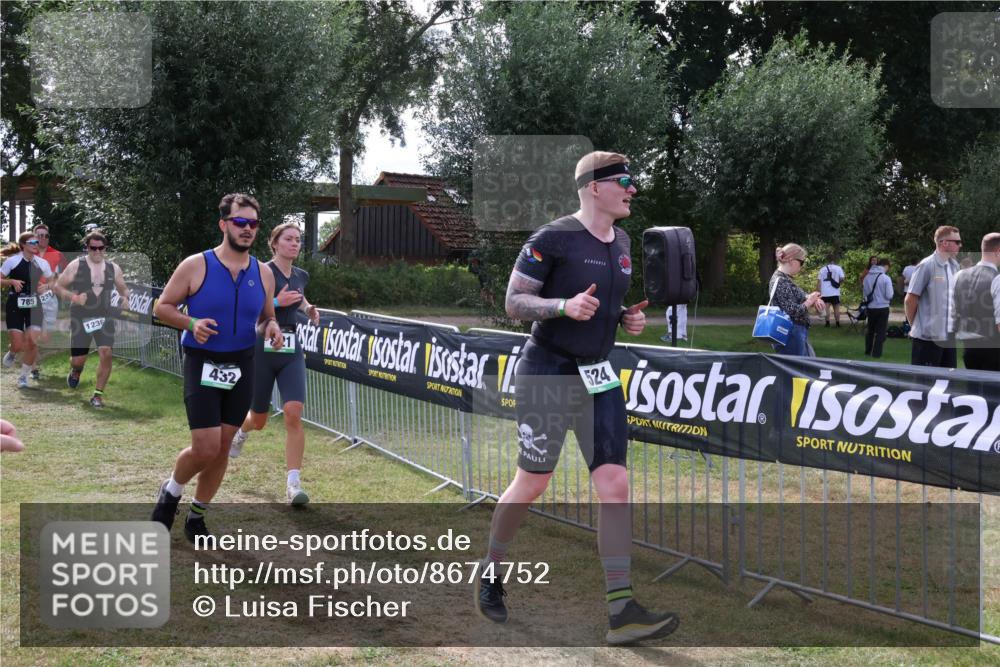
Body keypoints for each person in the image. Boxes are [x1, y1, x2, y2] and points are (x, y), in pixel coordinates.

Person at [475, 151, 678, 645]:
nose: (633, 189)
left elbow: (605, 307)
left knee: (615, 485)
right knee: (532, 484)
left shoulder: (625, 241)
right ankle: (490, 571)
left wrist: (625, 317)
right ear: (593, 187)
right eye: (624, 181)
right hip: (547, 369)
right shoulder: (553, 237)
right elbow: (514, 301)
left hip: (599, 374)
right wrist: (563, 305)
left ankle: (622, 611)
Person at [150, 193, 282, 542]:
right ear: (224, 224)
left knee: (223, 447)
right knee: (206, 447)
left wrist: (272, 326)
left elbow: (267, 315)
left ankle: (197, 517)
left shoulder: (263, 273)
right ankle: (172, 490)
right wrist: (191, 323)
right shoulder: (196, 265)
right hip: (202, 361)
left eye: (253, 224)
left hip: (242, 364)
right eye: (240, 222)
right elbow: (162, 307)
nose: (248, 229)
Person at [229, 222, 321, 505]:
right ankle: (241, 431)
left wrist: (308, 308)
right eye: (289, 239)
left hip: (291, 349)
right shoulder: (260, 271)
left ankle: (294, 484)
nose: (295, 244)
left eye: (298, 240)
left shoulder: (301, 274)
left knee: (294, 412)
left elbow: (299, 294)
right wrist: (277, 303)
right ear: (275, 243)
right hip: (263, 349)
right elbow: (247, 307)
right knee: (259, 420)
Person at [54, 230, 130, 407]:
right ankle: (76, 370)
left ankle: (97, 395)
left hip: (104, 314)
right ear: (86, 248)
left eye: (100, 248)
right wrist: (74, 298)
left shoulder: (113, 268)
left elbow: (123, 288)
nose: (97, 252)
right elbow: (58, 287)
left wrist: (125, 297)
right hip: (81, 314)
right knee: (78, 359)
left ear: (105, 249)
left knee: (106, 353)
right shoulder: (76, 265)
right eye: (92, 248)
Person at [3, 224, 65, 378]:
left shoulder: (42, 262)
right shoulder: (12, 261)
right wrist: (12, 282)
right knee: (18, 344)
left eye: (37, 242)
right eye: (33, 242)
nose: (37, 243)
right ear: (23, 245)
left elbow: (54, 281)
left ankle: (24, 377)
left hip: (36, 304)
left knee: (34, 340)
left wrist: (47, 286)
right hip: (15, 304)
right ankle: (13, 351)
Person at [905, 226, 962, 368]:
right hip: (927, 339)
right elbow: (910, 299)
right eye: (957, 242)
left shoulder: (954, 266)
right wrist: (917, 326)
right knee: (924, 386)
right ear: (944, 243)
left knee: (947, 384)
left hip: (949, 336)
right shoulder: (926, 265)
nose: (960, 245)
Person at [952, 232, 1000, 371]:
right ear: (998, 251)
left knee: (972, 391)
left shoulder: (959, 275)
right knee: (992, 392)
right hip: (993, 347)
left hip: (969, 346)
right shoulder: (997, 279)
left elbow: (952, 313)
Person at [769, 243, 824, 357]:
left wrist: (813, 299)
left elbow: (800, 295)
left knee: (805, 369)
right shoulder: (780, 281)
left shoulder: (785, 279)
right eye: (801, 262)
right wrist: (809, 301)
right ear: (791, 260)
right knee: (799, 371)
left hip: (795, 333)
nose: (801, 266)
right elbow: (792, 311)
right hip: (790, 334)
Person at [862, 258, 894, 358]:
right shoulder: (885, 278)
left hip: (870, 307)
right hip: (882, 307)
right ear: (886, 266)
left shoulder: (867, 277)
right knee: (881, 331)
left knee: (870, 330)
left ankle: (868, 351)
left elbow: (865, 294)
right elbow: (889, 295)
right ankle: (876, 353)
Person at [817, 257, 845, 327]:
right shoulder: (838, 268)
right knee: (836, 308)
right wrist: (838, 283)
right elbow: (842, 278)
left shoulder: (822, 269)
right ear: (834, 261)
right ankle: (837, 323)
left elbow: (819, 282)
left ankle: (827, 323)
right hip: (835, 292)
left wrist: (818, 291)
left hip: (825, 292)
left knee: (826, 308)